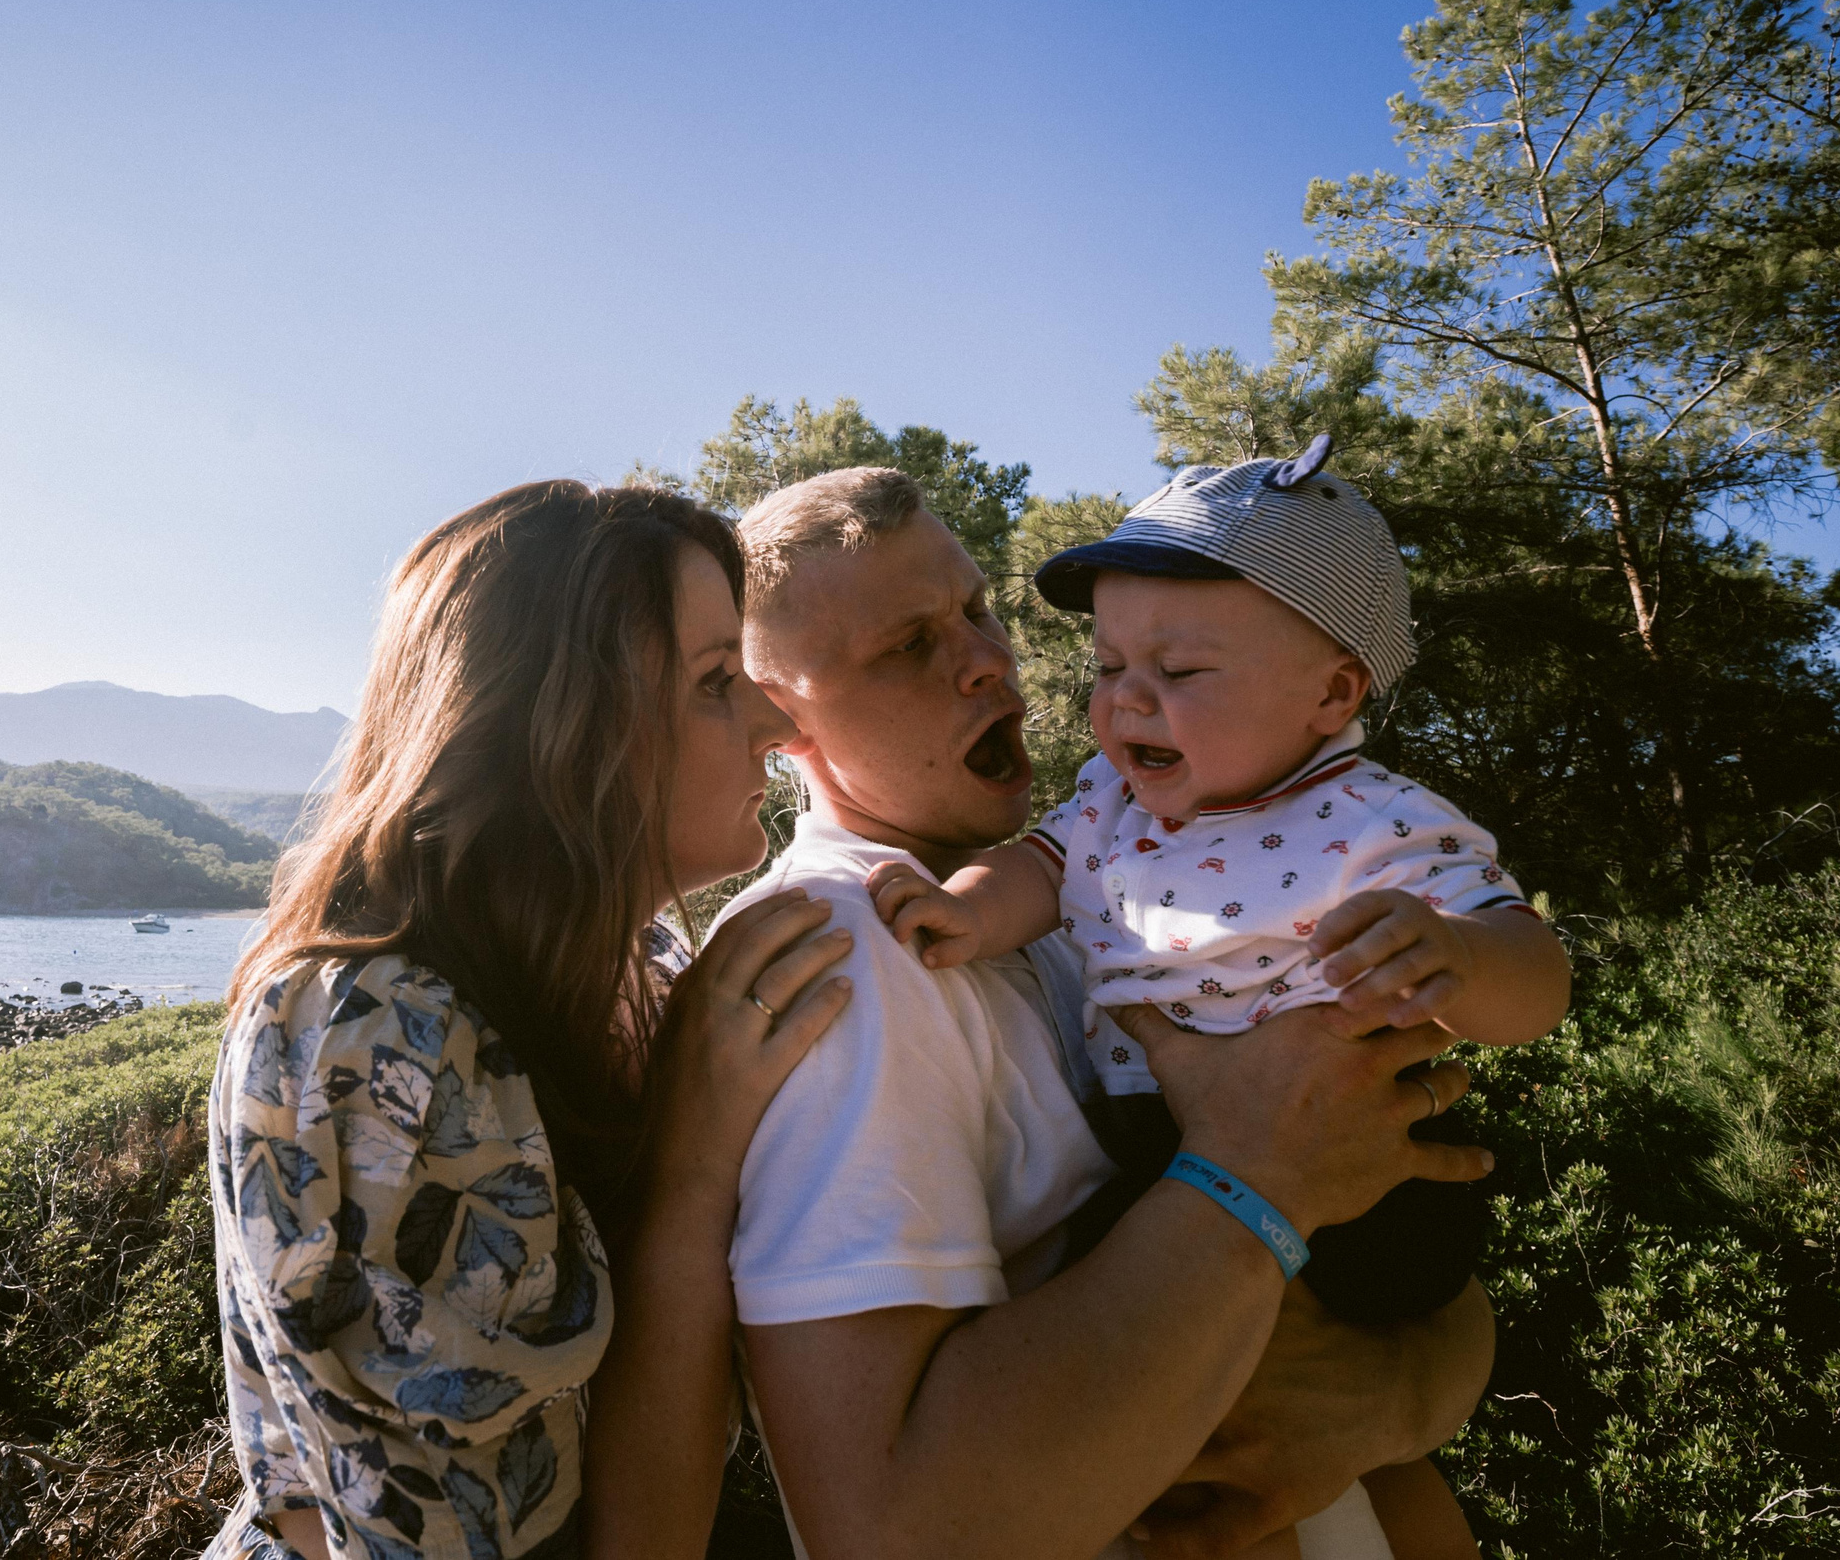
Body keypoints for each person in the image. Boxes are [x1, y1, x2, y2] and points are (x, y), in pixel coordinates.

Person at [717, 466, 1501, 1560]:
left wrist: (1389, 1388)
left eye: (977, 610)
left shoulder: (1100, 893)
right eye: (909, 646)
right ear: (779, 721)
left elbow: (1422, 1269)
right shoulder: (838, 954)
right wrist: (1256, 1177)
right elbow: (888, 1534)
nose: (991, 659)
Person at [205, 480, 853, 1560]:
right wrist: (695, 1164)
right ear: (550, 725)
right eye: (711, 682)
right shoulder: (378, 1038)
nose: (779, 724)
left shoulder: (638, 964)